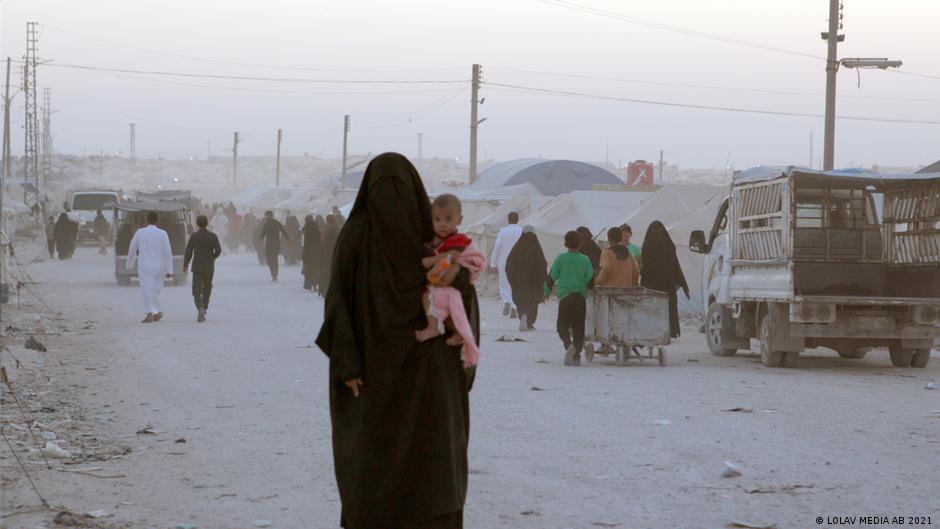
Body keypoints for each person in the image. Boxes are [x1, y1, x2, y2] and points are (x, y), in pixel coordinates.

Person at [316, 152, 475, 529]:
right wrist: (348, 363)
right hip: (372, 377)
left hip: (429, 379)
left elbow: (463, 293)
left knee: (433, 473)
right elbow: (338, 304)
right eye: (384, 191)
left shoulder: (434, 237)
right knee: (374, 473)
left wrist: (457, 331)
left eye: (399, 191)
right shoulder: (356, 238)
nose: (391, 200)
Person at [415, 194, 485, 368]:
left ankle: (436, 328)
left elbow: (453, 259)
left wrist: (430, 261)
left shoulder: (458, 240)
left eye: (448, 219)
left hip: (452, 285)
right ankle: (455, 331)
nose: (442, 224)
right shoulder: (437, 242)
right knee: (441, 308)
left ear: (459, 219)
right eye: (437, 220)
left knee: (431, 300)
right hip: (442, 282)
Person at [545, 230, 594, 366]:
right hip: (580, 298)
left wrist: (546, 291)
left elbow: (551, 277)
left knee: (562, 326)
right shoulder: (585, 259)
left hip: (566, 298)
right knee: (578, 328)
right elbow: (591, 281)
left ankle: (568, 344)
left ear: (565, 244)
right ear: (580, 244)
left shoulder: (561, 258)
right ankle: (576, 355)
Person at [640, 220, 689, 339]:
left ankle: (655, 331)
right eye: (655, 231)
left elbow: (673, 264)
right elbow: (674, 265)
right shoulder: (668, 246)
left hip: (654, 284)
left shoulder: (648, 247)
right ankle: (668, 331)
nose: (657, 235)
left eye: (659, 231)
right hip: (666, 284)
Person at [126, 211, 173, 323]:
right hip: (160, 266)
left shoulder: (140, 232)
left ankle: (150, 313)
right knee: (157, 289)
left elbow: (132, 248)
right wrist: (169, 269)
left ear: (146, 220)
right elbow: (168, 252)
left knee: (147, 289)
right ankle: (155, 311)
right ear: (157, 221)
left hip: (145, 265)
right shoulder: (163, 233)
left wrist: (130, 264)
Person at [505, 225, 547, 332]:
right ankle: (529, 322)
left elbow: (509, 266)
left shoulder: (517, 247)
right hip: (534, 283)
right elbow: (542, 266)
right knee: (532, 300)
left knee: (521, 300)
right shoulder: (537, 248)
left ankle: (523, 315)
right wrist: (542, 282)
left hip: (519, 282)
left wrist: (513, 280)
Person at [183, 214, 222, 323]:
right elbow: (218, 251)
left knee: (196, 289)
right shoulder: (213, 236)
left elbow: (189, 251)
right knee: (207, 287)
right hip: (209, 266)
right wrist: (212, 257)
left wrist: (185, 264)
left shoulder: (194, 236)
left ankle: (200, 307)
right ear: (207, 223)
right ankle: (204, 306)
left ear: (197, 224)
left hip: (197, 266)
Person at [490, 212, 523, 318]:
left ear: (508, 220)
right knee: (516, 285)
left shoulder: (503, 232)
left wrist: (493, 263)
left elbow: (497, 247)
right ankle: (514, 308)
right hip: (518, 263)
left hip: (504, 262)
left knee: (504, 284)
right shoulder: (522, 231)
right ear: (518, 220)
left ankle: (506, 302)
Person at [258, 210, 289, 281]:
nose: (266, 217)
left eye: (267, 216)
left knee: (272, 259)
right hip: (273, 244)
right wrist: (260, 241)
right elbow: (263, 234)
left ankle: (274, 274)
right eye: (266, 216)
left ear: (271, 216)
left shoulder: (273, 223)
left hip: (272, 244)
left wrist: (288, 239)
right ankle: (274, 273)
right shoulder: (270, 224)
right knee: (272, 259)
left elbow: (283, 231)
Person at [318, 214, 340, 296]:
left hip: (326, 253)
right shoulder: (339, 229)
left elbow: (322, 242)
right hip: (336, 252)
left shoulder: (324, 230)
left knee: (326, 271)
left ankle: (324, 290)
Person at [301, 214, 321, 291]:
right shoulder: (317, 230)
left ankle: (310, 284)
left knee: (309, 269)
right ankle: (315, 285)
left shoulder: (307, 231)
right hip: (316, 252)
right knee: (315, 269)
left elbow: (306, 243)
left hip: (308, 252)